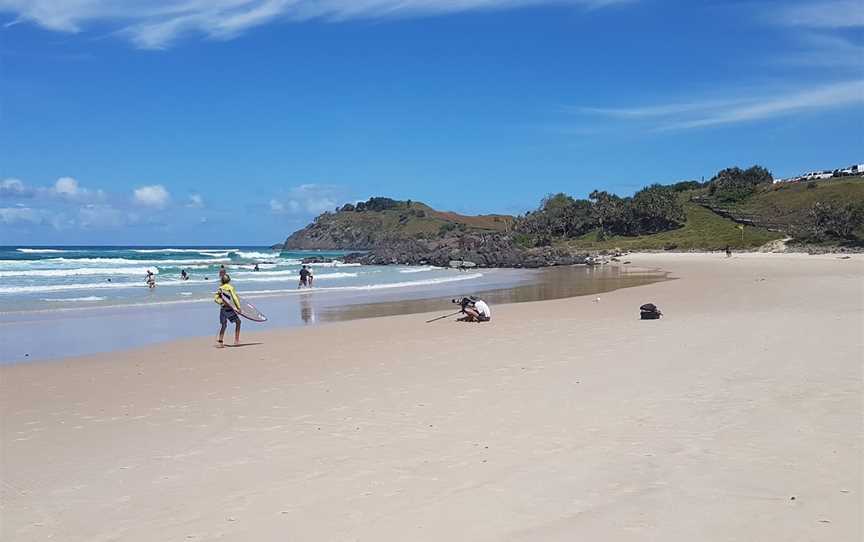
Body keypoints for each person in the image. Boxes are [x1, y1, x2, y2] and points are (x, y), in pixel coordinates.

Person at [214, 274, 242, 347]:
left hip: (223, 308)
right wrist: (238, 307)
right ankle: (236, 341)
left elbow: (215, 299)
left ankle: (220, 342)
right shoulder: (230, 287)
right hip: (229, 309)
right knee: (238, 322)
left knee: (224, 325)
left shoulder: (220, 288)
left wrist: (221, 302)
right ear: (229, 280)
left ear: (222, 281)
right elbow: (234, 297)